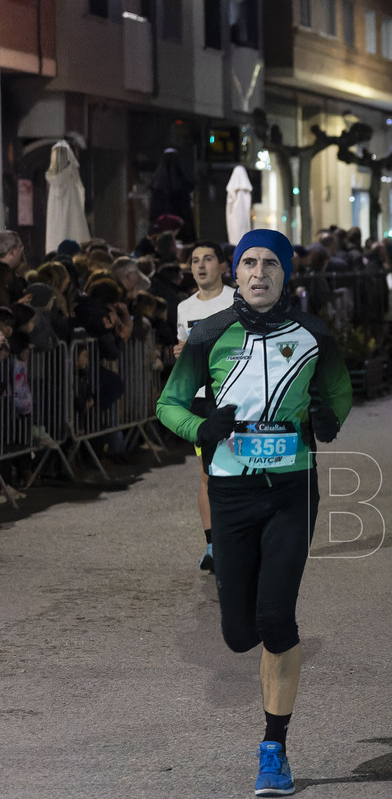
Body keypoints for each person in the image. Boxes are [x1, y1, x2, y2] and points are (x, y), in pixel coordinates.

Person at [156, 229, 351, 797]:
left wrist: (326, 420)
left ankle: (274, 748)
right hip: (232, 495)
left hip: (292, 489)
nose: (259, 272)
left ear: (286, 274)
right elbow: (169, 404)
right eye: (249, 263)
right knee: (239, 633)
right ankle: (260, 675)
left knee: (276, 618)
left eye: (271, 263)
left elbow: (338, 392)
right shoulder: (209, 334)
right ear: (235, 274)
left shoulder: (313, 334)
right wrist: (202, 428)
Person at [174, 241, 237, 573]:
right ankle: (213, 545)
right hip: (201, 399)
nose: (200, 266)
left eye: (208, 259)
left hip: (237, 394)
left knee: (240, 467)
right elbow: (186, 352)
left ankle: (242, 538)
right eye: (195, 261)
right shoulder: (185, 308)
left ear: (223, 266)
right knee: (207, 473)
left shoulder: (237, 301)